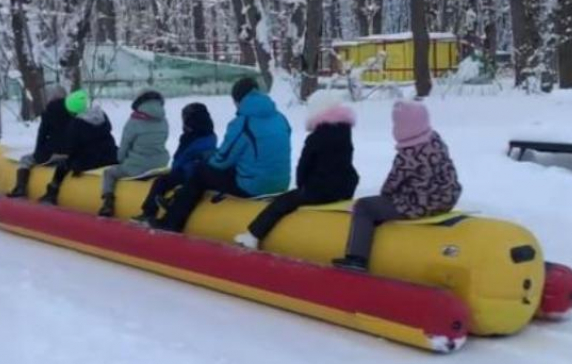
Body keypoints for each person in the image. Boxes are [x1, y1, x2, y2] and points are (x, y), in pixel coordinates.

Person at [333, 100, 461, 272]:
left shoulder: (409, 153)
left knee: (364, 206)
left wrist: (381, 203)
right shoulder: (435, 139)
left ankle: (357, 257)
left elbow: (391, 186)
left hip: (420, 204)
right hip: (445, 199)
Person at [152, 77, 291, 232]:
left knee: (200, 172)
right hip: (281, 183)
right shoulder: (280, 118)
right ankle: (177, 200)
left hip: (253, 186)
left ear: (238, 99)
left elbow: (221, 160)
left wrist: (206, 161)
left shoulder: (243, 122)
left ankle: (171, 222)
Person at [234, 89, 359, 249]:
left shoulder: (316, 137)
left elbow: (304, 166)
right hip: (344, 188)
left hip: (321, 190)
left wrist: (302, 188)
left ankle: (253, 235)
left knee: (281, 203)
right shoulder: (344, 134)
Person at [132, 102, 217, 224]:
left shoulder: (192, 138)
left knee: (160, 181)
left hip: (188, 172)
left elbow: (181, 159)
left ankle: (148, 212)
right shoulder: (209, 135)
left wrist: (178, 169)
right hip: (196, 171)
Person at [98, 90, 170, 217]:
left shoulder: (135, 121)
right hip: (160, 164)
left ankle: (108, 203)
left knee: (109, 173)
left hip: (138, 166)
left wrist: (120, 160)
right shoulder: (163, 120)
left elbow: (124, 146)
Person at [40, 92, 118, 205]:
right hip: (111, 155)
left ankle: (52, 193)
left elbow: (70, 148)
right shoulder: (102, 115)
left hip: (91, 161)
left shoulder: (76, 123)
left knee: (62, 165)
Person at [7, 85, 70, 198]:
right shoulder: (74, 111)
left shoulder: (48, 113)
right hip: (70, 154)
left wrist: (38, 155)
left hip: (53, 154)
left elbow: (42, 137)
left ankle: (21, 187)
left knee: (25, 159)